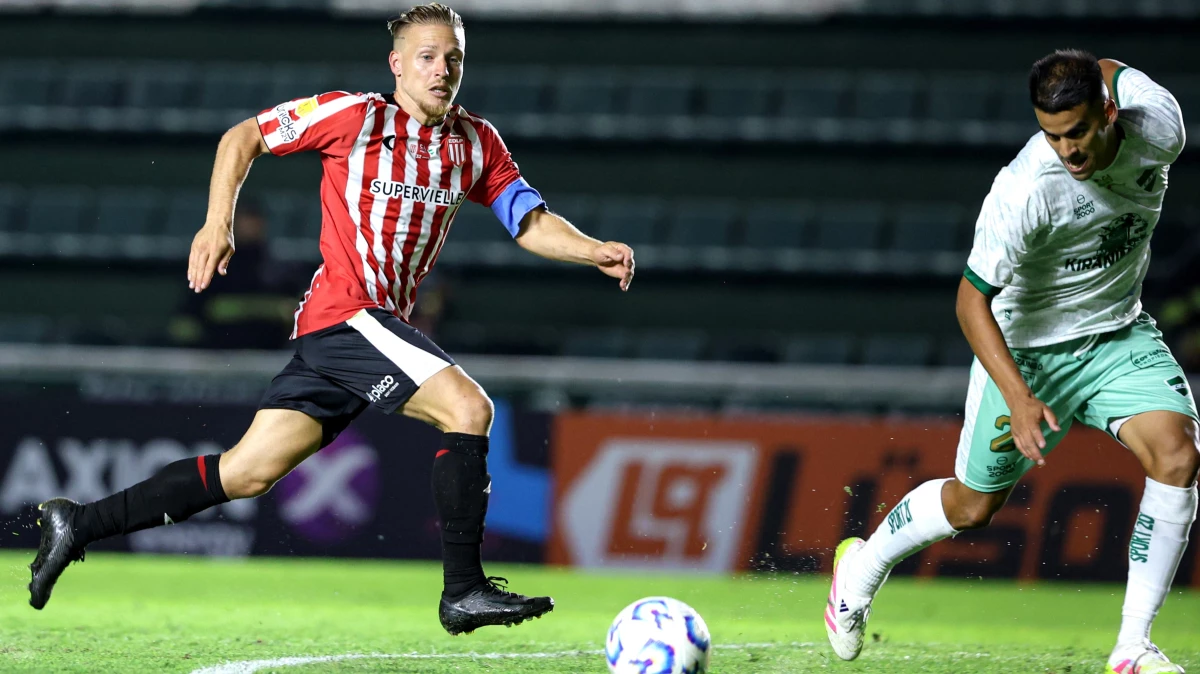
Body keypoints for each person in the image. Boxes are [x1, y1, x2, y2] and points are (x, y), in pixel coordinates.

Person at [28, 2, 635, 636]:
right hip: (347, 316)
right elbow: (243, 137)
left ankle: (80, 523)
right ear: (396, 64)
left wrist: (592, 249)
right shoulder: (354, 116)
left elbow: (528, 221)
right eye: (427, 57)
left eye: (453, 58)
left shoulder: (476, 142)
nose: (442, 69)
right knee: (469, 409)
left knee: (247, 472)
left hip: (359, 332)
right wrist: (217, 223)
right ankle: (464, 591)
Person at [825, 51, 1196, 674]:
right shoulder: (1025, 188)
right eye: (1052, 135)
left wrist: (1089, 68)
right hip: (1027, 349)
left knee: (1178, 455)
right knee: (973, 508)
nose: (1067, 150)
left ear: (1109, 113)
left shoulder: (1160, 126)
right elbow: (971, 301)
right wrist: (1020, 396)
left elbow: (1104, 64)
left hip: (1117, 335)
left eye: (1077, 132)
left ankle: (1132, 647)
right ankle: (859, 571)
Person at [168, 198, 300, 350]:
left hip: (270, 354)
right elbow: (188, 318)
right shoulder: (211, 267)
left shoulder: (283, 270)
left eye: (254, 219)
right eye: (244, 219)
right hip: (218, 355)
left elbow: (299, 312)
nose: (249, 226)